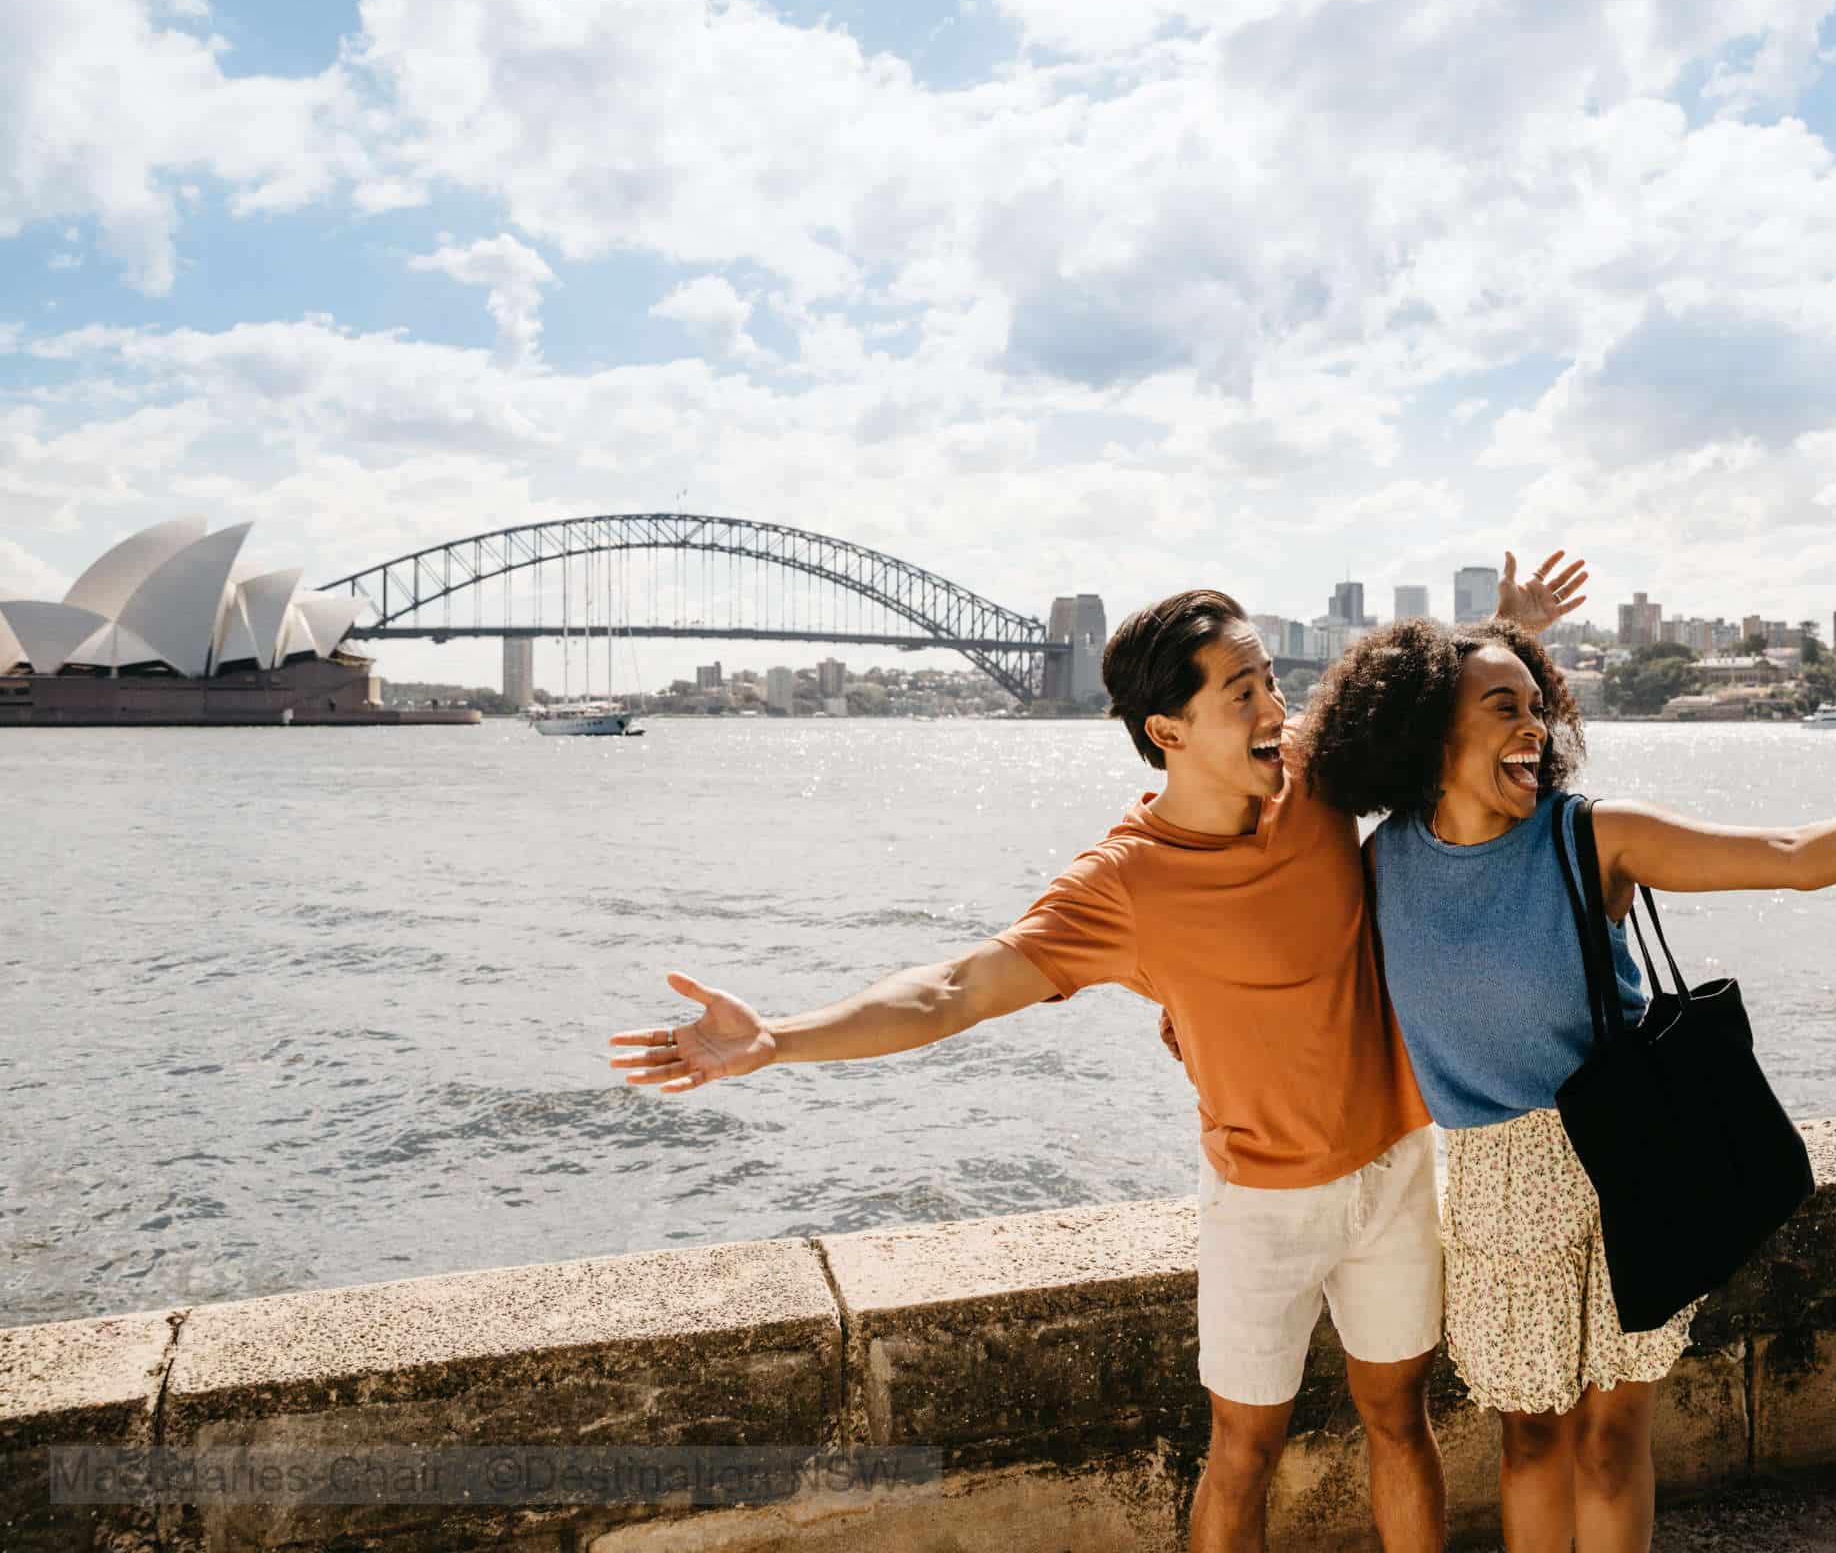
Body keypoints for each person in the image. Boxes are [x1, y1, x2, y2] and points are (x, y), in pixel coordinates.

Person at [606, 556, 1591, 1553]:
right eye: (1243, 690)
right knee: (1242, 1450)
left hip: (1392, 1165)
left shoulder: (1316, 772)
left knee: (1399, 1421)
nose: (1273, 705)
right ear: (1169, 731)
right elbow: (955, 990)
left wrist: (1502, 623)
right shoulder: (1123, 885)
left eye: (1272, 685)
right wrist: (778, 1039)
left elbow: (1425, 703)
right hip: (1263, 1202)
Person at [1299, 618, 1836, 1553]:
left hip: (1627, 1162)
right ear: (1426, 731)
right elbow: (1296, 964)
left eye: (1538, 708)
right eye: (1502, 709)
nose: (1534, 728)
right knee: (1529, 1439)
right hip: (1492, 1187)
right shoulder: (1380, 865)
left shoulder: (1592, 836)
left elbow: (1792, 856)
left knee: (1610, 1445)